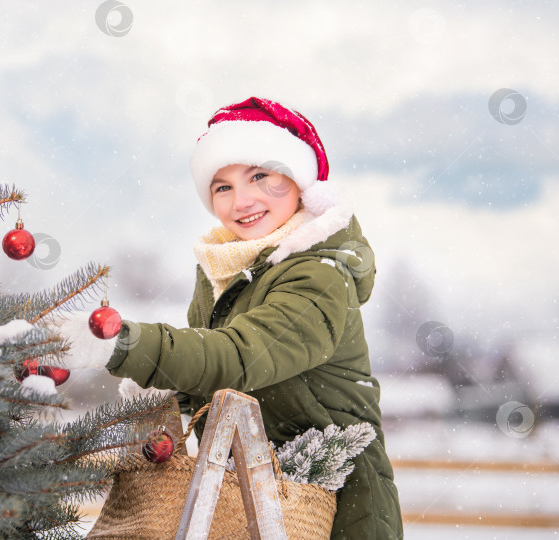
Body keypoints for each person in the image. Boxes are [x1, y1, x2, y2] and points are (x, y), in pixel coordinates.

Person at [79, 96, 403, 538]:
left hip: (335, 510)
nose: (242, 200)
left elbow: (238, 357)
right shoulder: (222, 271)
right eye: (222, 186)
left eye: (259, 176)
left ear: (300, 182)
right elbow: (204, 383)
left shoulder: (319, 275)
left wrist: (120, 343)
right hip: (246, 499)